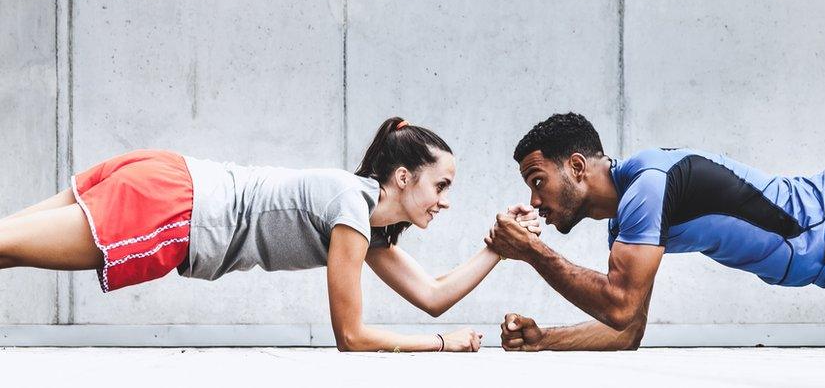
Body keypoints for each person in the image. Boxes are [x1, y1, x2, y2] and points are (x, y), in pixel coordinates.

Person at [0, 117, 540, 352]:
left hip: (167, 179)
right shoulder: (352, 208)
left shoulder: (361, 221)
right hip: (173, 209)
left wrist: (496, 247)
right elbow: (351, 337)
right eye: (441, 186)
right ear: (403, 178)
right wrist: (440, 346)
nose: (446, 200)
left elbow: (432, 295)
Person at [486, 112, 825, 351]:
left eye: (537, 182)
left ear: (575, 166)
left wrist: (532, 253)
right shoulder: (628, 219)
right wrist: (545, 338)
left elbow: (620, 305)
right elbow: (629, 329)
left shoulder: (648, 186)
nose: (534, 202)